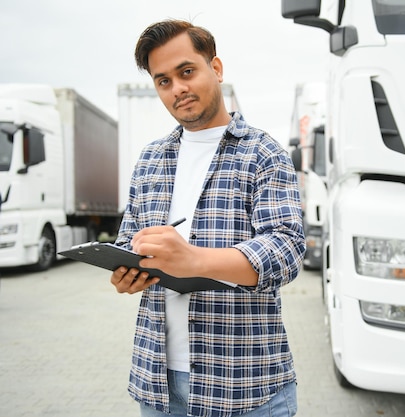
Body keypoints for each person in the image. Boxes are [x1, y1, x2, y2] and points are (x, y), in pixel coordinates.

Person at [110, 19, 305, 417]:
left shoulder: (263, 153)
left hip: (244, 386)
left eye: (186, 72)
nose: (177, 88)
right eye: (163, 81)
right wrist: (124, 270)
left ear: (215, 69)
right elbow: (126, 238)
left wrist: (194, 260)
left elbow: (286, 249)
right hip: (160, 385)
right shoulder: (150, 159)